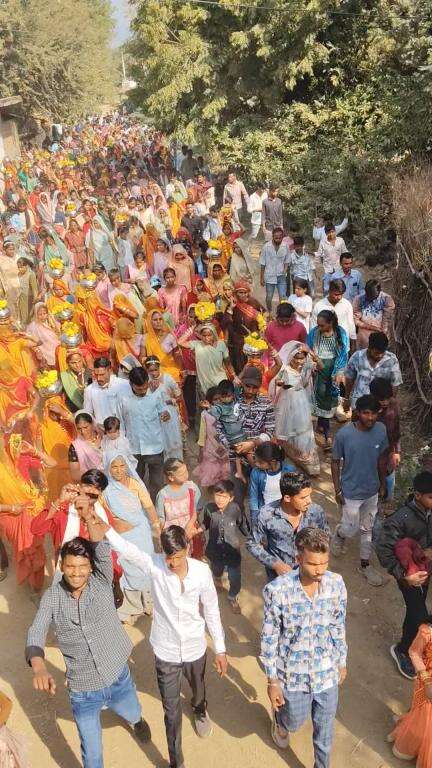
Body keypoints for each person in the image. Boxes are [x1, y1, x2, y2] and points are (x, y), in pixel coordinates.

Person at [83, 515, 227, 768]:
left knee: (198, 688)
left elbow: (212, 610)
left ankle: (199, 709)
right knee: (171, 712)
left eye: (178, 557)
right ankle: (176, 761)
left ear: (187, 549)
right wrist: (107, 530)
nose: (173, 563)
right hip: (166, 651)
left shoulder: (202, 572)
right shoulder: (155, 565)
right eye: (169, 557)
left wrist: (221, 649)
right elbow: (129, 551)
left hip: (195, 647)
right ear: (163, 552)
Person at [26, 532, 151, 768]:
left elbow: (102, 548)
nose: (76, 572)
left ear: (91, 566)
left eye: (82, 566)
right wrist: (39, 666)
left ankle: (137, 721)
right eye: (70, 566)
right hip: (83, 691)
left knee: (132, 710)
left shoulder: (101, 581)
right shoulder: (53, 598)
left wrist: (90, 514)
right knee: (92, 755)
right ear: (61, 566)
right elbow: (37, 629)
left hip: (117, 676)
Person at [261, 527, 346, 767]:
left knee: (325, 731)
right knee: (293, 722)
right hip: (293, 677)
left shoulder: (336, 585)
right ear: (298, 559)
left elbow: (338, 626)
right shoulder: (277, 591)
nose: (320, 570)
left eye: (324, 563)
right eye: (312, 564)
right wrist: (272, 681)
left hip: (326, 673)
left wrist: (341, 661)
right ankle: (280, 721)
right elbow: (269, 638)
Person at [376, 471, 432, 680]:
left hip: (425, 573)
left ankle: (410, 645)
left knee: (415, 611)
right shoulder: (401, 519)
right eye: (431, 497)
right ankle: (403, 650)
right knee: (419, 616)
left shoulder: (429, 512)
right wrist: (403, 576)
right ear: (418, 495)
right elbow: (383, 549)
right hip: (408, 578)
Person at [331, 394, 389, 586]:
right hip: (350, 492)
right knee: (350, 528)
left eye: (374, 413)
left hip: (371, 491)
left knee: (367, 529)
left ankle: (365, 565)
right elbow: (334, 462)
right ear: (357, 413)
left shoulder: (381, 430)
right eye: (366, 413)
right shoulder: (344, 435)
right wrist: (338, 489)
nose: (371, 418)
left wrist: (382, 484)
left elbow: (381, 460)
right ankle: (339, 534)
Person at [103, 453, 160, 624]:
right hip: (122, 536)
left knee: (145, 565)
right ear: (108, 469)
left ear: (127, 466)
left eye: (122, 466)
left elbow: (148, 506)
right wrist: (116, 525)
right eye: (114, 467)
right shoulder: (106, 489)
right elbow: (103, 513)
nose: (119, 470)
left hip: (141, 532)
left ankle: (149, 604)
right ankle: (131, 607)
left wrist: (156, 525)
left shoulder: (135, 484)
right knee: (128, 568)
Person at [247, 470, 329, 579]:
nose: (309, 501)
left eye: (309, 495)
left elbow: (326, 536)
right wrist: (276, 565)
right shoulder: (266, 515)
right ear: (287, 498)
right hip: (279, 577)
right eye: (303, 497)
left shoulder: (316, 512)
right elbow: (252, 543)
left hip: (308, 574)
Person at [269, 340, 321, 475]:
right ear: (291, 358)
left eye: (302, 359)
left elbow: (320, 367)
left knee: (303, 430)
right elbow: (275, 383)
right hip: (286, 404)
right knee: (289, 430)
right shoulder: (284, 370)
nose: (299, 362)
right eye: (296, 359)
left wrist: (310, 352)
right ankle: (293, 457)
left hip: (301, 403)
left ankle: (307, 462)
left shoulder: (305, 368)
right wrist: (280, 384)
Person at [119, 366, 170, 501]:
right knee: (135, 481)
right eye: (138, 388)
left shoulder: (156, 394)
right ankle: (138, 507)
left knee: (157, 483)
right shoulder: (124, 399)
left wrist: (165, 415)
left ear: (148, 381)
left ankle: (156, 508)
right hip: (134, 448)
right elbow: (121, 423)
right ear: (131, 384)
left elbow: (163, 411)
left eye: (144, 387)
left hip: (155, 446)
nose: (142, 391)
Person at [387, 619, 432, 765]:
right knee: (423, 717)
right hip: (426, 682)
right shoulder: (427, 631)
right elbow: (414, 652)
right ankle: (409, 746)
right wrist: (426, 681)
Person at [307, 309, 349, 449]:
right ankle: (327, 431)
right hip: (319, 368)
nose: (319, 328)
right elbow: (309, 350)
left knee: (331, 396)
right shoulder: (314, 333)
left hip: (334, 368)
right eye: (318, 325)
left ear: (331, 323)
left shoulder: (341, 333)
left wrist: (339, 372)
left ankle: (323, 425)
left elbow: (343, 354)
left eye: (322, 325)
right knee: (320, 394)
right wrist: (313, 364)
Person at [201, 480, 242, 613]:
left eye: (224, 496)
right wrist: (199, 529)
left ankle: (232, 596)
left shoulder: (235, 509)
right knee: (216, 569)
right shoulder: (209, 508)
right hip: (215, 549)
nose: (219, 499)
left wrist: (254, 537)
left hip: (232, 551)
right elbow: (205, 524)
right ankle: (217, 578)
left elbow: (243, 524)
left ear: (231, 498)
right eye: (217, 495)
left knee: (235, 577)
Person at [343, 331, 403, 408]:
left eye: (382, 352)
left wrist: (390, 401)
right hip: (359, 403)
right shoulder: (357, 357)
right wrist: (347, 398)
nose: (380, 356)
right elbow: (349, 378)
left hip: (379, 405)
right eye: (377, 353)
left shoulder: (392, 360)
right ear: (370, 348)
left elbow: (395, 383)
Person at [144, 355, 184, 460]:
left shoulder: (168, 379)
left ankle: (175, 464)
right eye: (150, 371)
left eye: (155, 370)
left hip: (169, 415)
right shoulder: (146, 381)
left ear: (159, 367)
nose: (153, 373)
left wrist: (169, 401)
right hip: (154, 416)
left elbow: (179, 396)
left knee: (172, 440)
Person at [248, 443, 295, 529]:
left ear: (272, 462)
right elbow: (253, 497)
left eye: (260, 462)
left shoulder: (289, 471)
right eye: (255, 460)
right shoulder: (256, 472)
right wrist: (254, 520)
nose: (257, 464)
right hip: (265, 513)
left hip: (285, 512)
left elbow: (294, 493)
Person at [209, 379, 248, 481]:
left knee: (240, 456)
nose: (226, 398)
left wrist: (238, 382)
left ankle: (240, 473)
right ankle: (246, 472)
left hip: (242, 435)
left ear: (233, 394)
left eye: (229, 396)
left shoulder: (236, 401)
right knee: (244, 454)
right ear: (220, 396)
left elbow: (239, 389)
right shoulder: (219, 408)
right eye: (223, 396)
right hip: (232, 438)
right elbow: (212, 418)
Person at [369, 377, 401, 501]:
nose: (385, 402)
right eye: (382, 399)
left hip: (389, 450)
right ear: (373, 396)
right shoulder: (367, 410)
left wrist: (397, 451)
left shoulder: (394, 405)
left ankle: (386, 497)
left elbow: (397, 429)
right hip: (372, 452)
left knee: (389, 480)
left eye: (388, 398)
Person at [194, 386, 230, 488]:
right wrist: (200, 450)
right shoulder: (205, 415)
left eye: (220, 398)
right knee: (211, 470)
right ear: (210, 401)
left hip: (225, 448)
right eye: (215, 399)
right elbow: (202, 434)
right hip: (210, 449)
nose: (218, 401)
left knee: (224, 470)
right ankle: (211, 492)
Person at [83, 356, 129, 427]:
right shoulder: (89, 390)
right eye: (96, 375)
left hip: (123, 431)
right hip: (103, 432)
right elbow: (88, 414)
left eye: (102, 374)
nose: (98, 378)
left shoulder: (124, 385)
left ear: (109, 370)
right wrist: (97, 425)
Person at [311, 279, 357, 350]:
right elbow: (313, 328)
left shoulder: (347, 304)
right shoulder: (319, 306)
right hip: (324, 348)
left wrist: (353, 346)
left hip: (343, 346)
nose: (339, 297)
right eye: (336, 294)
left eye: (341, 294)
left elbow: (351, 325)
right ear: (329, 291)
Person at [352, 279, 396, 350]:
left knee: (380, 357)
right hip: (364, 338)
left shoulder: (387, 300)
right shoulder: (359, 299)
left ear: (379, 291)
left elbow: (387, 320)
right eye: (368, 296)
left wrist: (382, 331)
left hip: (381, 337)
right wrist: (373, 328)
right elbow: (355, 320)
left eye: (373, 297)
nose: (370, 299)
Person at [143, 308, 183, 384]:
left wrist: (181, 372)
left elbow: (178, 357)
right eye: (155, 320)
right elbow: (142, 358)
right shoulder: (145, 338)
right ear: (149, 322)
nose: (158, 322)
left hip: (171, 373)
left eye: (160, 319)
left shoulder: (170, 337)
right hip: (153, 374)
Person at [259, 227, 290, 312]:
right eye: (276, 238)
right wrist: (261, 278)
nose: (278, 239)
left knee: (283, 297)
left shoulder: (285, 246)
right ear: (272, 236)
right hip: (269, 276)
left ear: (282, 237)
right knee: (269, 297)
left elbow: (287, 260)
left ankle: (281, 314)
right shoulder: (266, 247)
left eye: (280, 238)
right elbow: (262, 263)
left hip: (281, 276)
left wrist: (285, 270)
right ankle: (269, 313)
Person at [68, 411, 103, 481]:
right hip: (92, 483)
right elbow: (74, 474)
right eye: (79, 429)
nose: (83, 432)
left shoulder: (104, 437)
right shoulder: (75, 446)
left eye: (86, 427)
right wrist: (94, 477)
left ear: (92, 424)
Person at [26, 302, 60, 368]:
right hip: (43, 348)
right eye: (40, 314)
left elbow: (58, 331)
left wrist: (52, 318)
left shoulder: (50, 321)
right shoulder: (33, 326)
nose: (43, 316)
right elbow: (29, 339)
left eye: (44, 313)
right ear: (36, 314)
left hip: (55, 345)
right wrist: (37, 350)